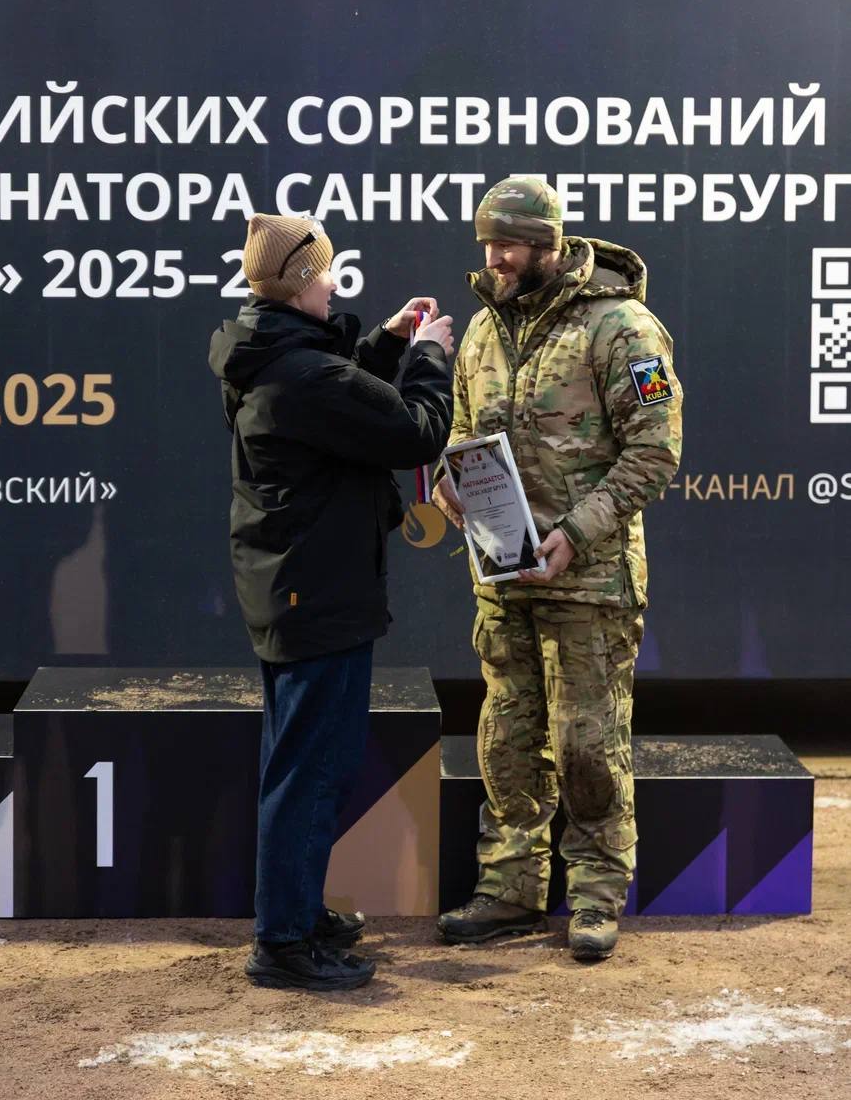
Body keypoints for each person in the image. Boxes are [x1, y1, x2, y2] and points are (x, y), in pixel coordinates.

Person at [432, 177, 682, 961]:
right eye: (486, 244)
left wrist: (576, 532)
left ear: (548, 244)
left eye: (507, 244)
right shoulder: (481, 330)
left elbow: (654, 451)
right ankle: (509, 887)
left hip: (591, 581)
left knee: (586, 744)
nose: (493, 259)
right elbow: (463, 432)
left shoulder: (621, 327)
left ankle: (597, 894)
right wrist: (446, 477)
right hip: (502, 577)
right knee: (507, 739)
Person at [208, 211, 453, 990]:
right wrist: (428, 358)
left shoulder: (262, 349)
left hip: (291, 586)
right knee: (311, 770)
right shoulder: (305, 376)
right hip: (317, 593)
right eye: (326, 272)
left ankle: (297, 912)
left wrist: (384, 343)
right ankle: (283, 942)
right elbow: (413, 432)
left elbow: (342, 393)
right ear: (303, 283)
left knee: (301, 763)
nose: (335, 284)